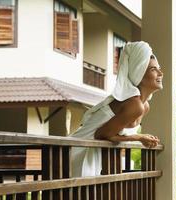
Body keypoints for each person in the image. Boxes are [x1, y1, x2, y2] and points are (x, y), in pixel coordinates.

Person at [69, 41, 163, 177]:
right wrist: (138, 137)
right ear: (139, 74)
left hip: (94, 156)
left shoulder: (144, 106)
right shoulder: (134, 104)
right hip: (77, 153)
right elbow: (101, 135)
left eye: (158, 68)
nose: (160, 73)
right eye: (153, 69)